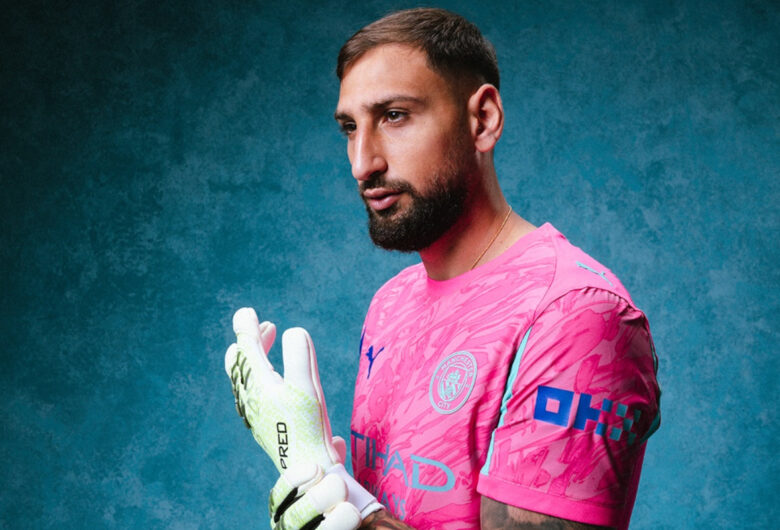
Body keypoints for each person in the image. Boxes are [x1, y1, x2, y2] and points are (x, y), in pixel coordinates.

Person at [227, 7, 660, 530]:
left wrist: (349, 517)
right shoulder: (391, 301)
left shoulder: (575, 315)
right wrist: (310, 467)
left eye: (394, 116)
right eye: (349, 127)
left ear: (483, 120)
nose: (363, 163)